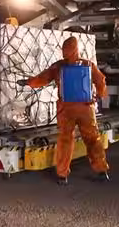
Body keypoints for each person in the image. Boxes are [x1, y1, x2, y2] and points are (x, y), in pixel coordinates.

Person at [17, 36, 110, 185]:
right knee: (93, 139)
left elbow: (42, 79)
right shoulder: (88, 65)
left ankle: (62, 175)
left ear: (66, 50)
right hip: (86, 108)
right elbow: (101, 80)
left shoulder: (58, 67)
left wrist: (28, 82)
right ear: (77, 49)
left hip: (66, 110)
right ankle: (101, 170)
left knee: (65, 140)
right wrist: (99, 95)